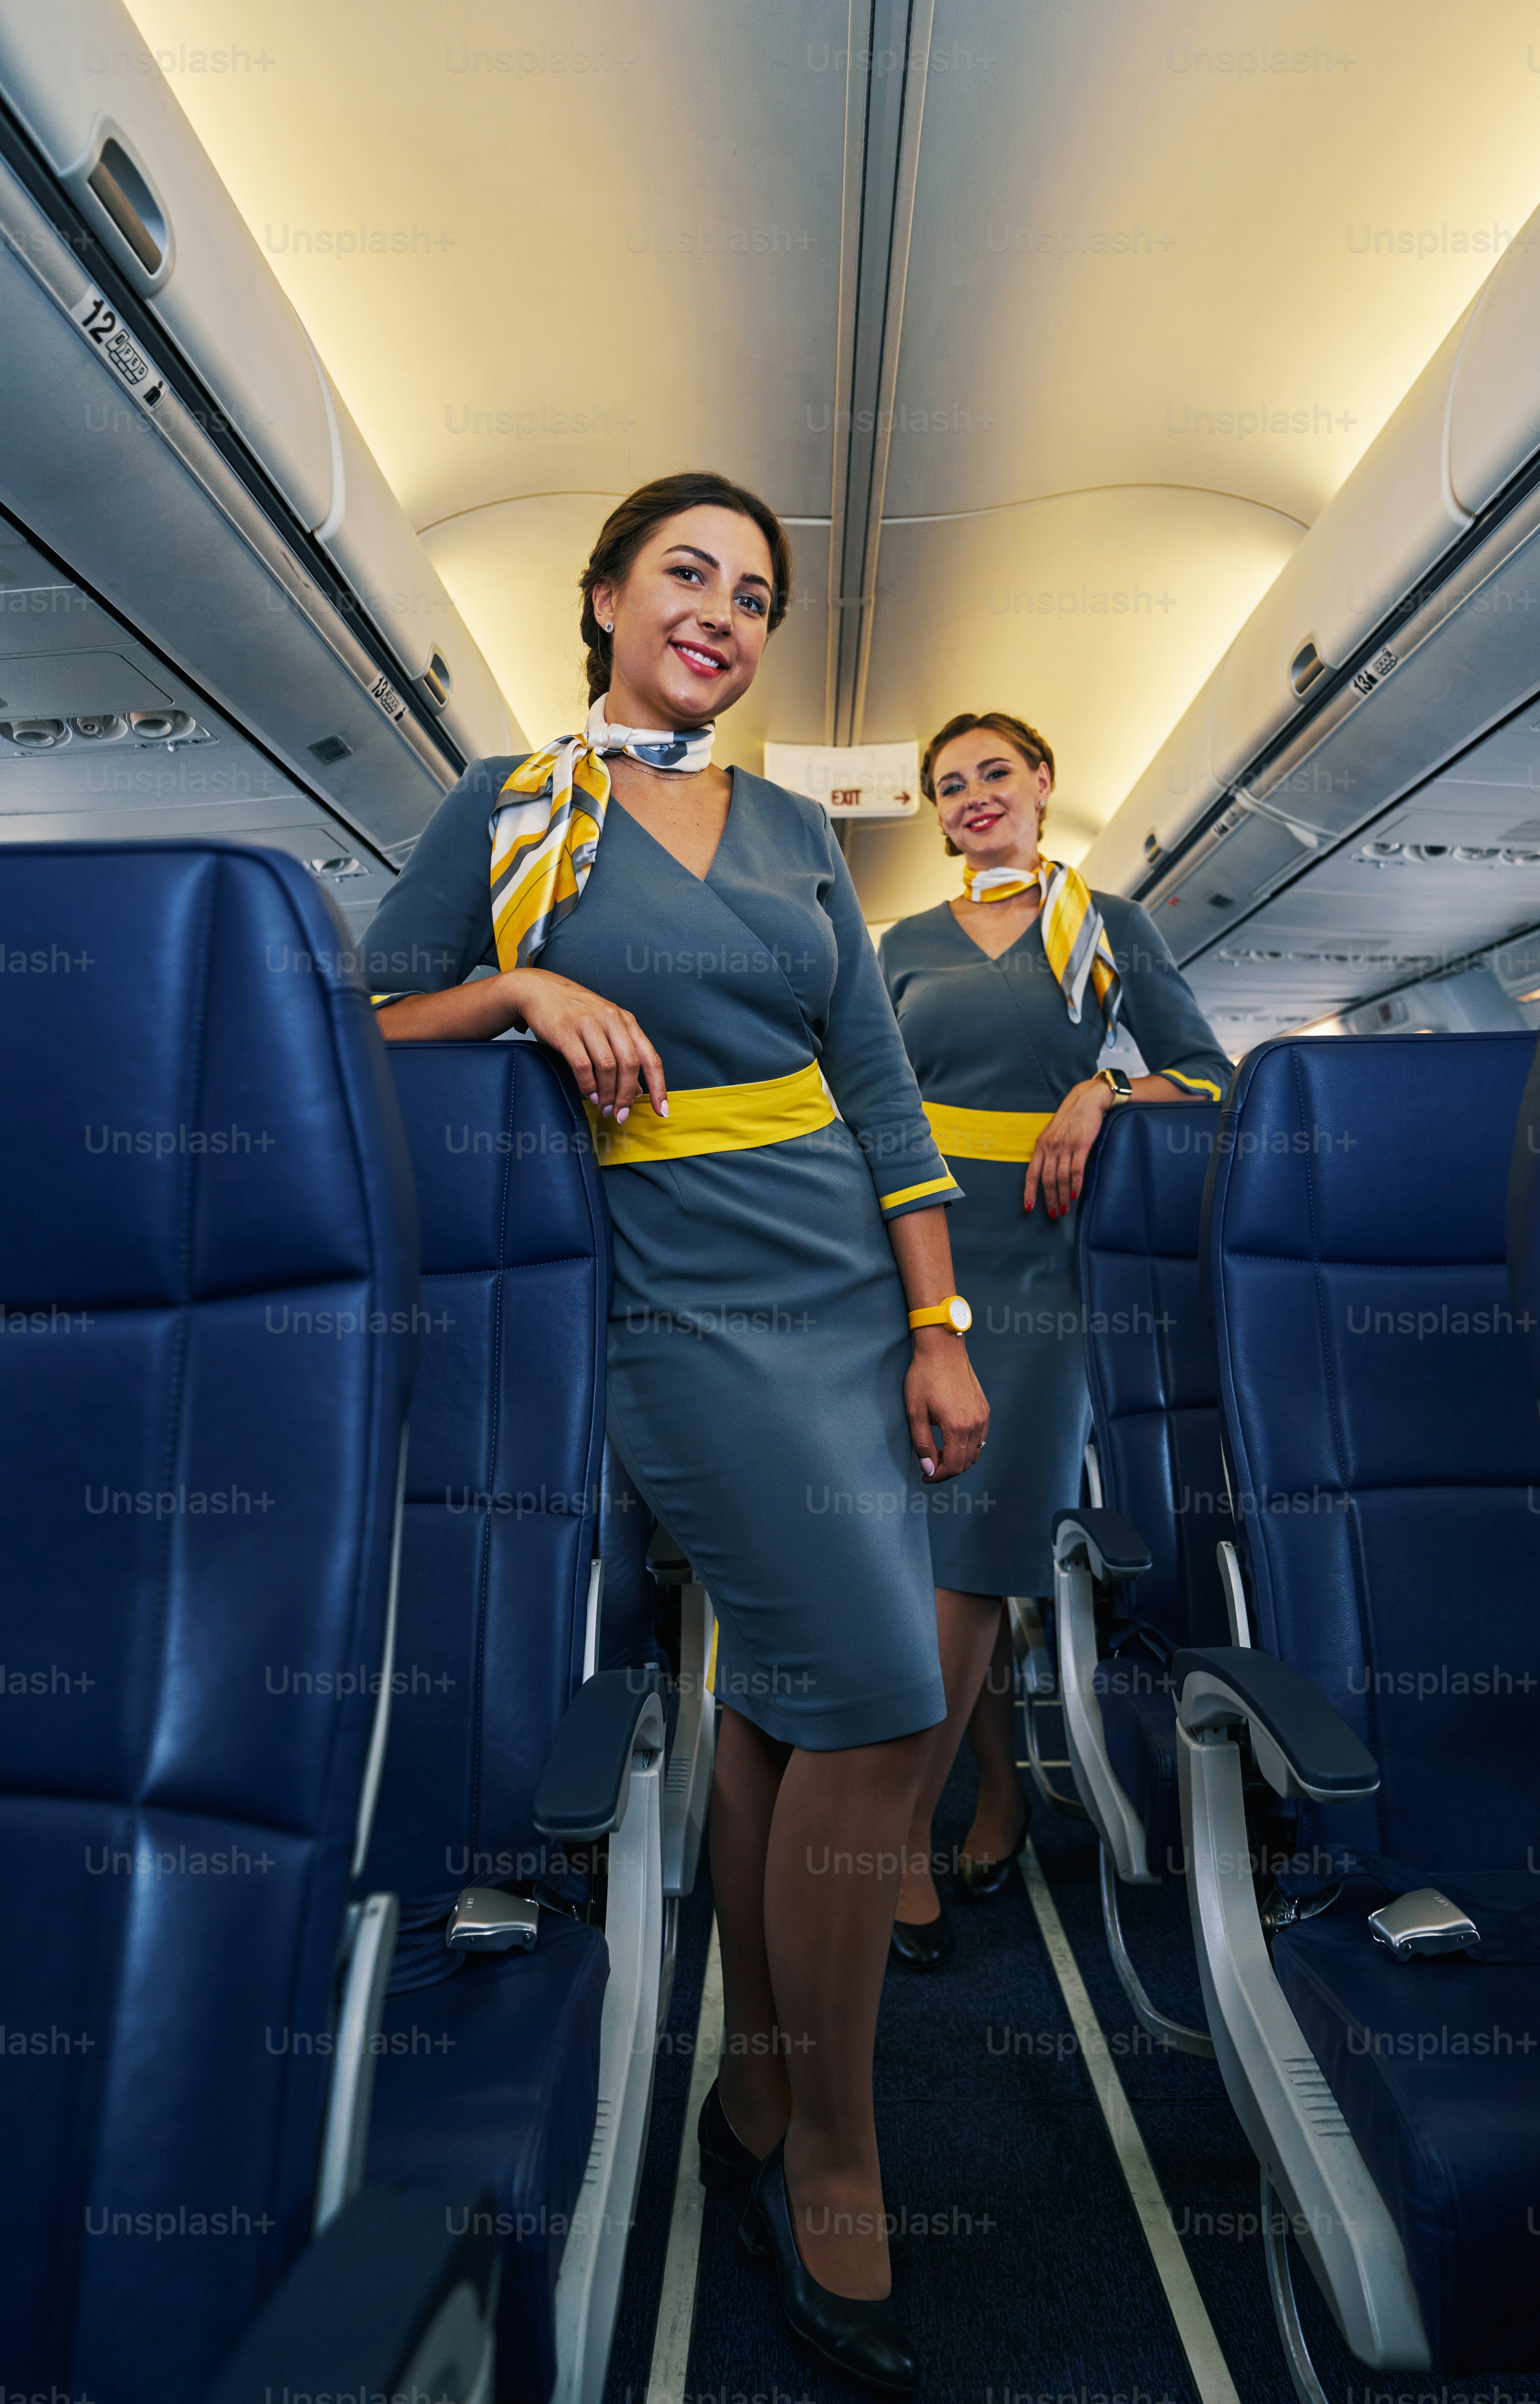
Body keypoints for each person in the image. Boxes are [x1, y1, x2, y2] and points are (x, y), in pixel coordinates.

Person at [357, 472, 988, 2392]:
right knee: (883, 1703)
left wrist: (940, 1319)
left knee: (783, 1702)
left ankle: (765, 2070)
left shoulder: (799, 829)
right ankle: (833, 2147)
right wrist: (526, 985)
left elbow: (875, 1089)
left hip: (844, 1275)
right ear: (608, 598)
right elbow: (366, 1016)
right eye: (685, 575)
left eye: (754, 592)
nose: (719, 608)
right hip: (685, 1299)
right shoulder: (516, 810)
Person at [877, 709, 1230, 1965]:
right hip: (908, 1263)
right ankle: (1004, 1789)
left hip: (1036, 1271)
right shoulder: (899, 945)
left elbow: (1205, 1073)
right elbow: (865, 1098)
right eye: (946, 784)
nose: (971, 795)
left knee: (973, 1553)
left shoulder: (1103, 925)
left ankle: (900, 1835)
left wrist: (1098, 1090)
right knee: (931, 1553)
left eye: (992, 774)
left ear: (1041, 783)